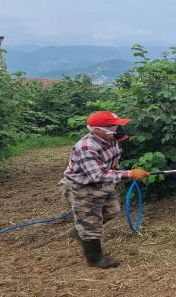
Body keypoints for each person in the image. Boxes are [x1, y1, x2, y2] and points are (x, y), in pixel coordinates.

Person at [58, 111, 150, 269]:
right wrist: (130, 174)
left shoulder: (110, 139)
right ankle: (95, 258)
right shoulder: (87, 147)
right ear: (99, 130)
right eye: (114, 126)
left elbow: (107, 161)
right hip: (82, 187)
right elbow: (97, 175)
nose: (118, 128)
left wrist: (115, 166)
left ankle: (79, 231)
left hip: (102, 183)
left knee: (112, 210)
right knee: (90, 223)